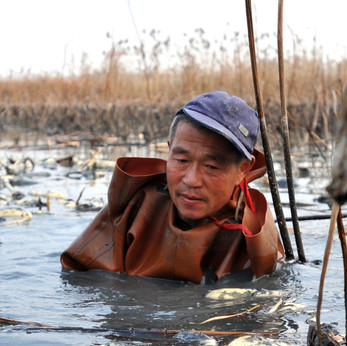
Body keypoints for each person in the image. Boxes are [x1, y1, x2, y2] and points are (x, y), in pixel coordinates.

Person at [60, 91, 284, 283]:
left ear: (243, 170)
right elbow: (79, 275)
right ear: (169, 150)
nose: (191, 180)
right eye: (181, 161)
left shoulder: (252, 234)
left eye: (211, 166)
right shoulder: (135, 207)